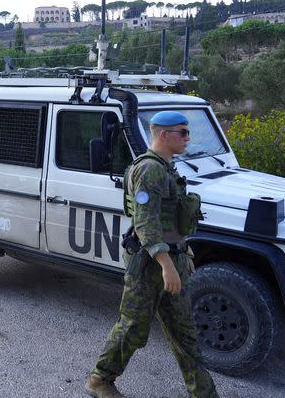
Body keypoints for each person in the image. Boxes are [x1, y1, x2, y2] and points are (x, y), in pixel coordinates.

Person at [85, 111, 217, 398]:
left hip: (174, 259)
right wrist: (167, 265)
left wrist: (178, 260)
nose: (187, 138)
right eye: (182, 133)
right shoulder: (149, 170)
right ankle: (100, 380)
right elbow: (145, 224)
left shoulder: (167, 168)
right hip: (151, 264)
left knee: (186, 335)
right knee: (133, 327)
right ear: (163, 135)